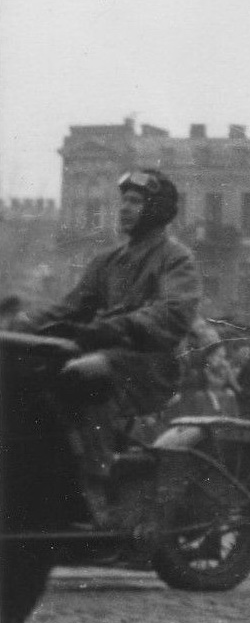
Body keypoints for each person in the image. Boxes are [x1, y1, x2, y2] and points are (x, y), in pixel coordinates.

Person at [18, 169, 199, 441]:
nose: (124, 208)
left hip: (152, 367)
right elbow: (68, 308)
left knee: (86, 374)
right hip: (111, 355)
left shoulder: (176, 258)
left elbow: (173, 315)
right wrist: (21, 322)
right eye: (123, 200)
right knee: (29, 373)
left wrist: (119, 327)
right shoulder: (107, 261)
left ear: (157, 208)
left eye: (135, 201)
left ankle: (96, 478)